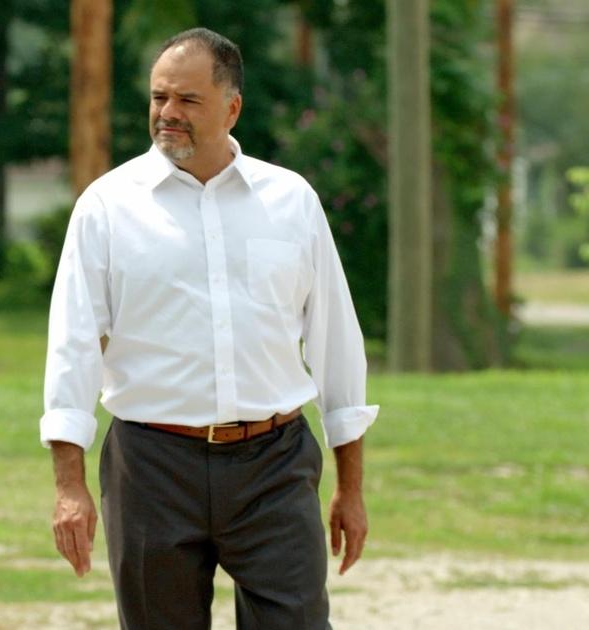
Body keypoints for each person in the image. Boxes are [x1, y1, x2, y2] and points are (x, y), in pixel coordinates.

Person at [40, 27, 379, 629]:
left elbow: (336, 346)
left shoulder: (292, 201)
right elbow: (72, 347)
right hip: (151, 468)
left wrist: (350, 487)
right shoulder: (107, 207)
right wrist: (69, 485)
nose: (167, 114)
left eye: (187, 101)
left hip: (275, 466)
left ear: (232, 106)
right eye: (158, 98)